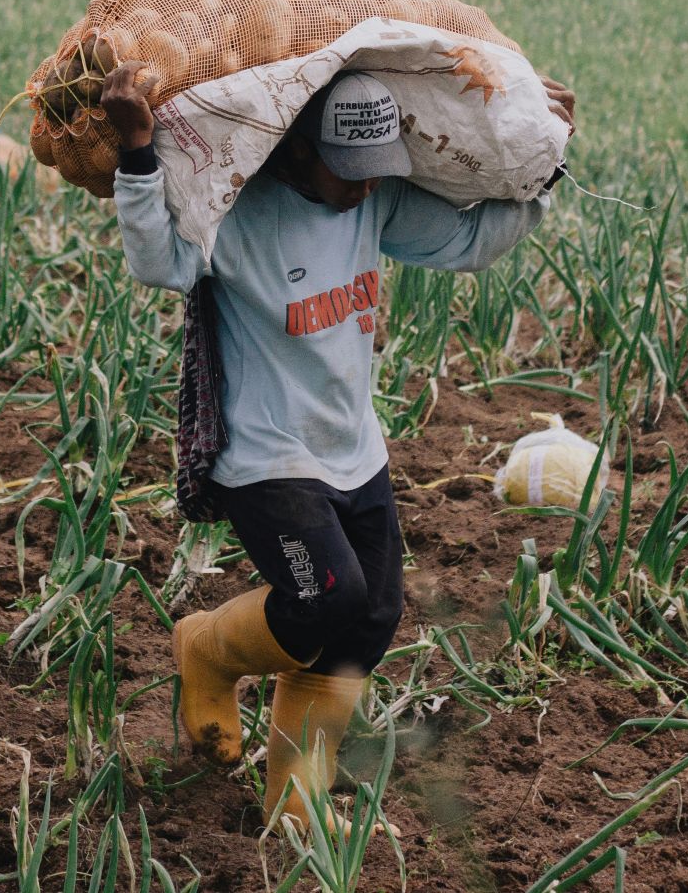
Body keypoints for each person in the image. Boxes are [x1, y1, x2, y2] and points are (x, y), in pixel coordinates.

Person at [100, 61, 575, 836]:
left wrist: (547, 160)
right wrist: (137, 154)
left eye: (374, 174)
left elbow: (469, 240)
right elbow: (160, 263)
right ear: (295, 150)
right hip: (266, 455)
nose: (361, 188)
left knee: (371, 618)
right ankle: (209, 653)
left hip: (352, 449)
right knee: (326, 597)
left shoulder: (372, 201)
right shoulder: (240, 210)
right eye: (345, 171)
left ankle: (295, 801)